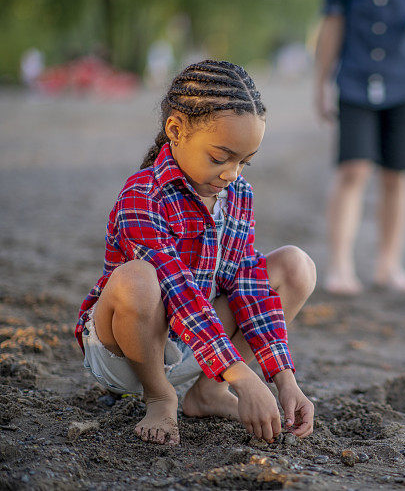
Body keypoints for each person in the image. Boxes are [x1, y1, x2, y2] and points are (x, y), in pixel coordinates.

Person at [75, 60, 317, 445]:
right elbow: (180, 295)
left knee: (295, 266)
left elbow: (250, 290)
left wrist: (283, 378)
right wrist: (243, 375)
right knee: (137, 279)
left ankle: (207, 393)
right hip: (129, 353)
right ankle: (159, 395)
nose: (231, 174)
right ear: (175, 130)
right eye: (220, 157)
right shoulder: (143, 196)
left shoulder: (238, 195)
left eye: (244, 161)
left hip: (198, 349)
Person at [315, 0, 405, 295]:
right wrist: (321, 84)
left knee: (397, 174)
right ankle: (340, 266)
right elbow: (332, 18)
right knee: (352, 170)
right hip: (354, 78)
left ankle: (389, 265)